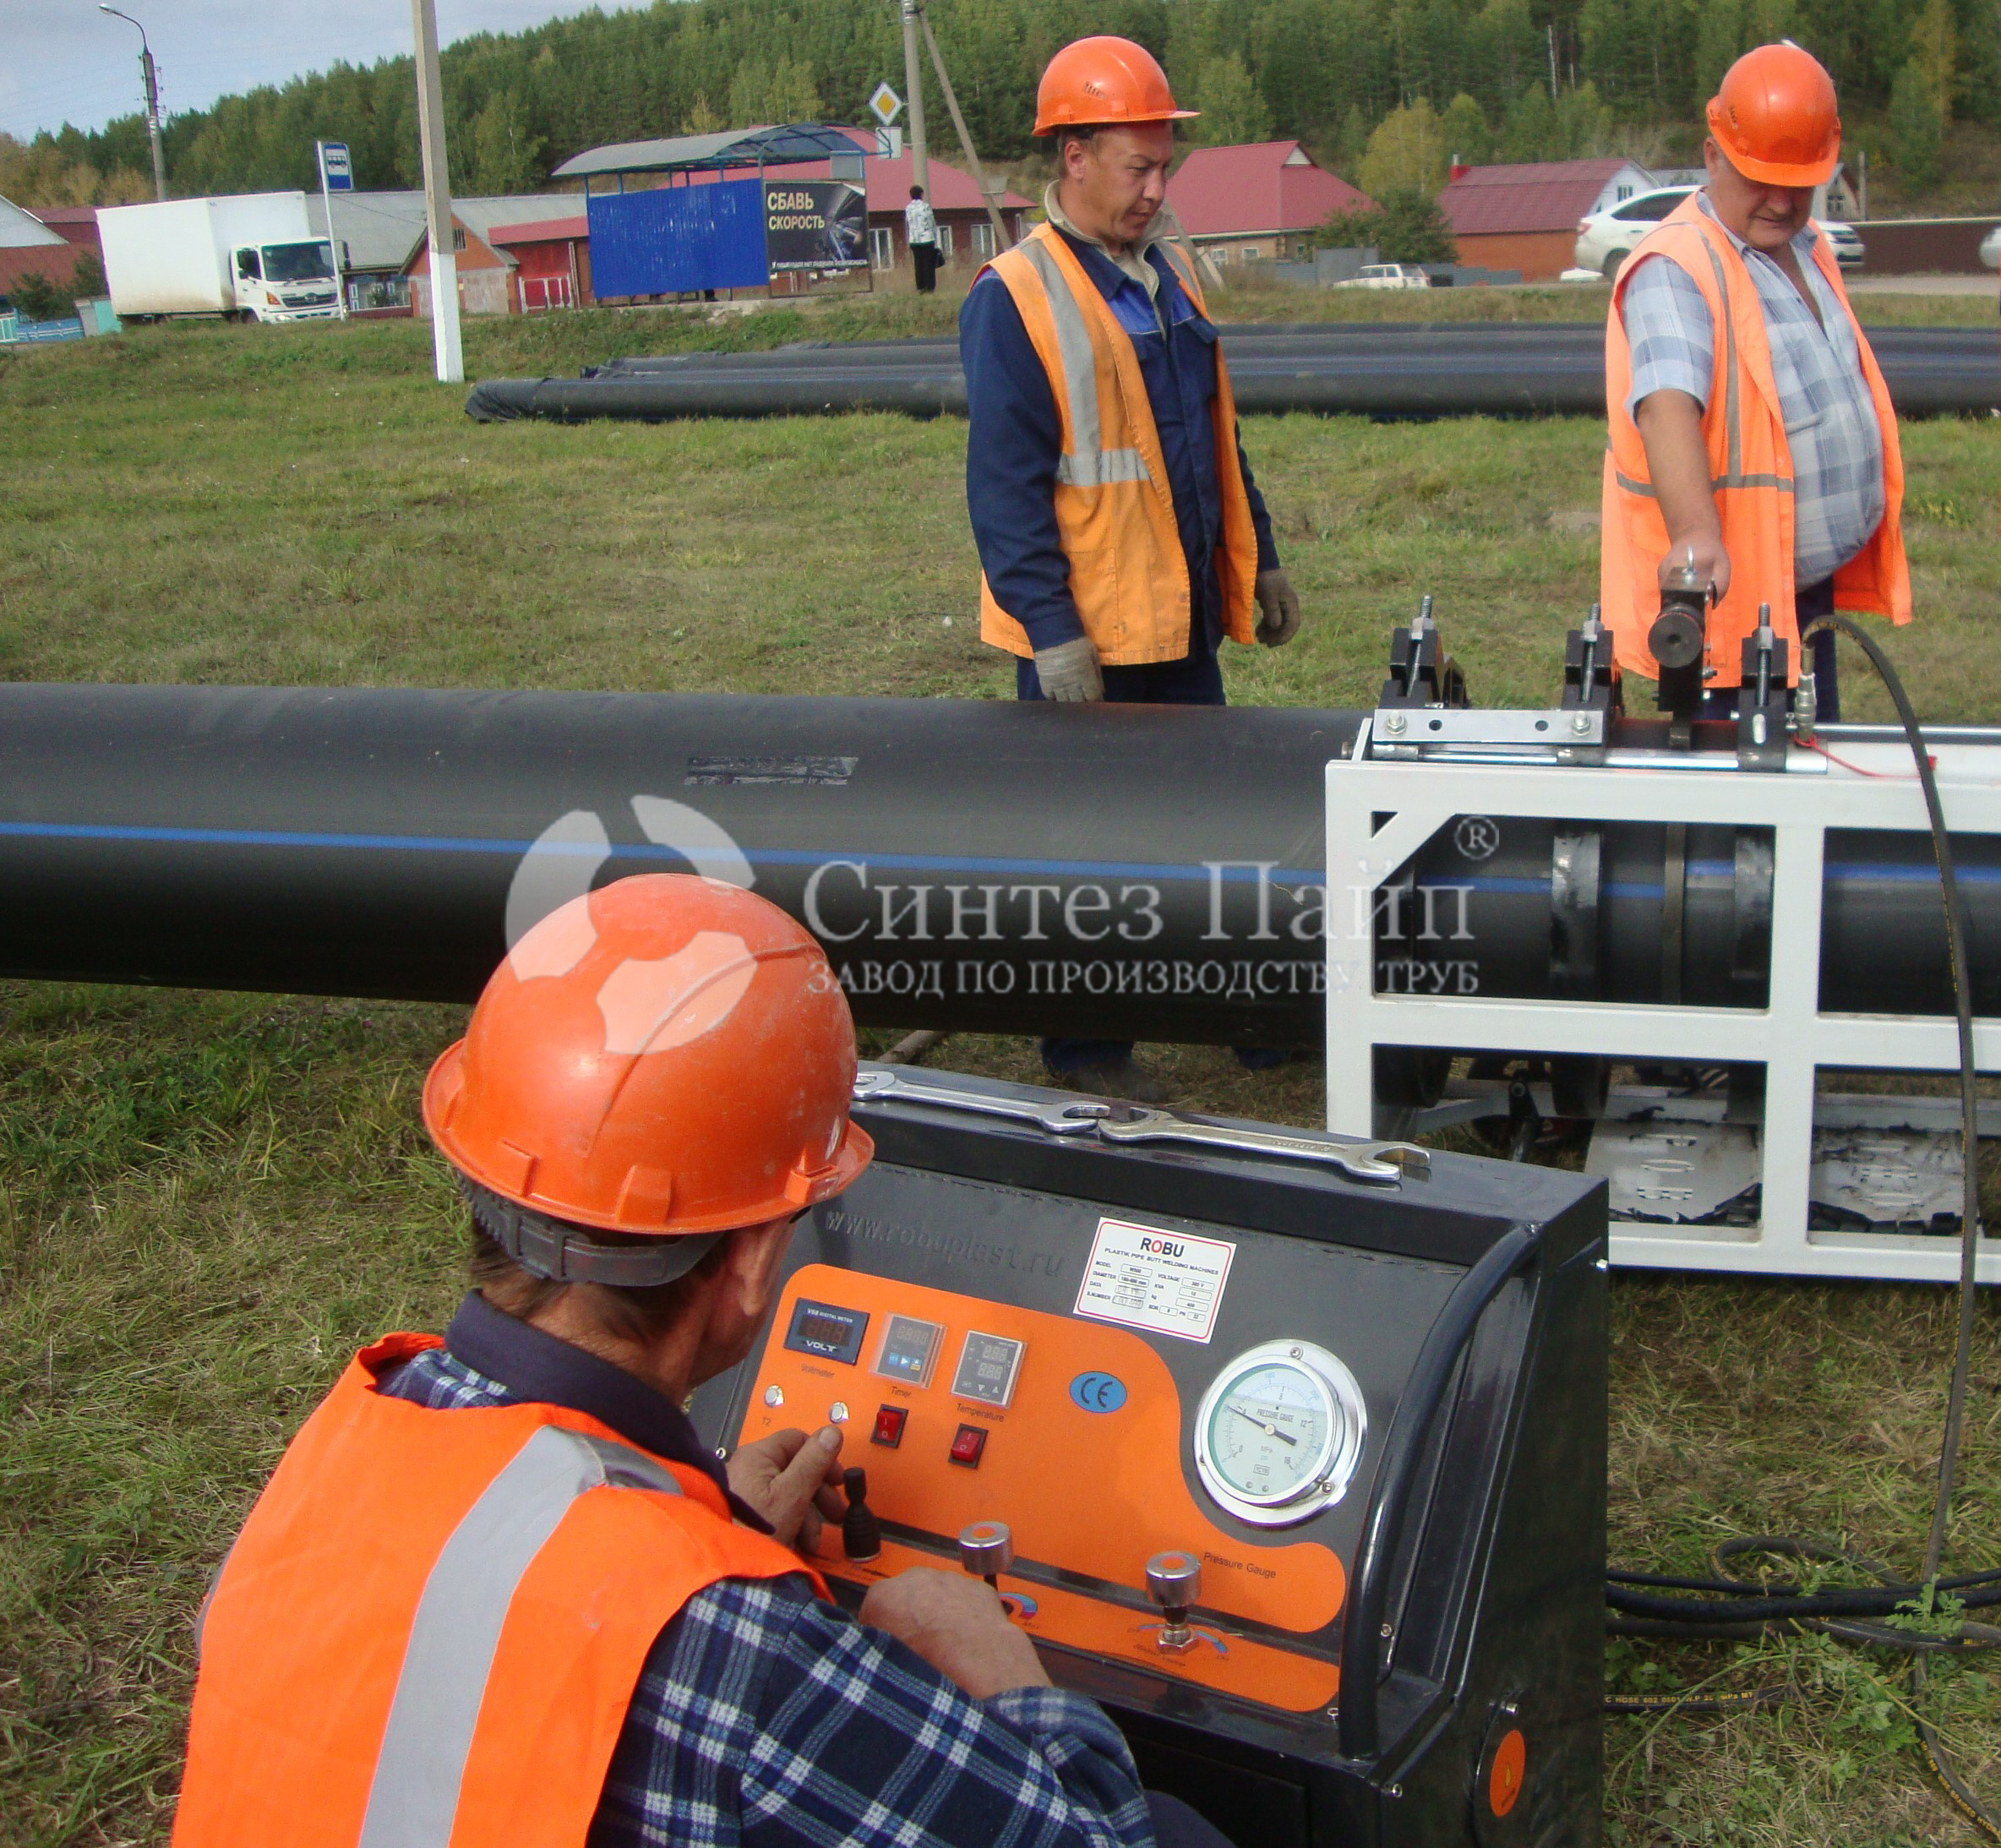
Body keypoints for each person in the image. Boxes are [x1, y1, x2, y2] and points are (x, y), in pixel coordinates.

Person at [171, 873, 1231, 1848]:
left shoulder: (333, 1455)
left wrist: (709, 1525)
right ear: (757, 1260)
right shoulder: (742, 1657)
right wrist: (1005, 1679)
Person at [960, 35, 1302, 1101]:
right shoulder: (1015, 296)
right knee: (1084, 848)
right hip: (1088, 636)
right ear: (1072, 158)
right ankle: (1087, 1046)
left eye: (1165, 168)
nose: (1157, 190)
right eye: (1137, 168)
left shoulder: (1168, 278)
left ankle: (1241, 1011)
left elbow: (1214, 436)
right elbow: (1003, 487)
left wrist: (1261, 558)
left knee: (1214, 827)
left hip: (1179, 615)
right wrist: (1050, 631)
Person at [1601, 40, 1910, 722]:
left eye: (1798, 182)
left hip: (1799, 589)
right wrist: (1694, 536)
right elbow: (1665, 404)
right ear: (1713, 156)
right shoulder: (1677, 265)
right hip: (1734, 608)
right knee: (1756, 778)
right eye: (1759, 178)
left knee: (1810, 749)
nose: (1780, 201)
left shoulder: (1806, 245)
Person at [907, 183, 941, 293]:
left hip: (914, 240)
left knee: (918, 263)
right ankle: (930, 287)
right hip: (927, 239)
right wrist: (934, 235)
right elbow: (931, 222)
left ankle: (920, 287)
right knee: (928, 264)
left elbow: (908, 223)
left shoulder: (908, 208)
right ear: (921, 194)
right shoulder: (925, 207)